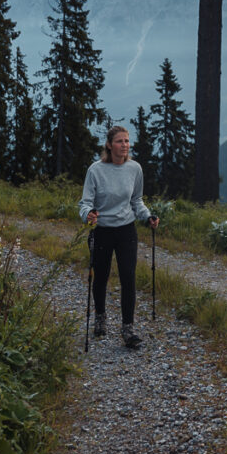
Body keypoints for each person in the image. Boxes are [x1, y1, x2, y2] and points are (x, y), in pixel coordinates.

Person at [79, 125, 159, 349]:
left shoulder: (135, 169)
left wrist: (147, 216)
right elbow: (85, 203)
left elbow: (136, 200)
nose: (125, 145)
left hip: (126, 230)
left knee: (128, 278)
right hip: (102, 230)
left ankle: (128, 329)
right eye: (119, 141)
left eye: (127, 141)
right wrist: (88, 215)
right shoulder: (95, 170)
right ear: (109, 145)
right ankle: (101, 318)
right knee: (101, 276)